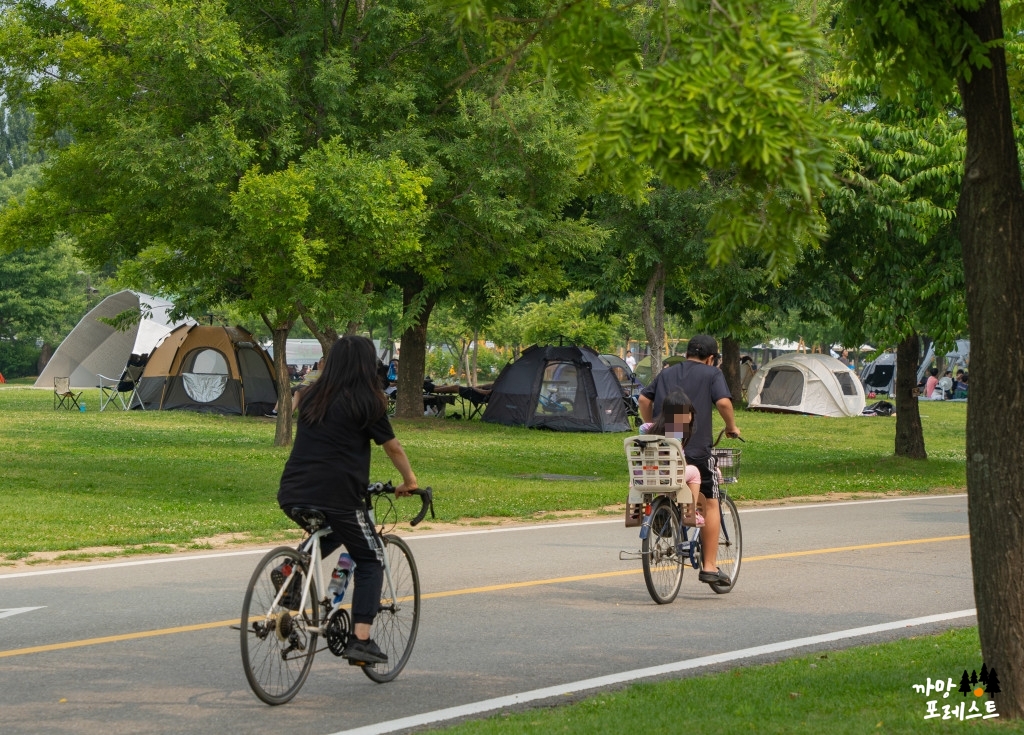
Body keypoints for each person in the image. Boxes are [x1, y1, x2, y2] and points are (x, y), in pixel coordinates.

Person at [277, 335, 419, 665]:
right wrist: (410, 481)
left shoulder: (310, 395)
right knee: (371, 559)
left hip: (293, 490)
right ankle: (361, 640)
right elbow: (392, 447)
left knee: (335, 531)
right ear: (367, 366)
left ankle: (291, 568)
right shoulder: (368, 401)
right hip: (340, 494)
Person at [638, 335, 741, 588]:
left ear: (686, 354)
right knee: (712, 502)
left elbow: (643, 400)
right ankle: (709, 566)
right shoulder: (711, 374)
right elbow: (724, 402)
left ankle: (667, 514)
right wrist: (731, 426)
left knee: (671, 481)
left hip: (663, 452)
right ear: (711, 358)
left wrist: (654, 427)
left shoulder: (667, 373)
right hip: (695, 451)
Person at [644, 389, 704, 527]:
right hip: (669, 476)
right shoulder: (677, 432)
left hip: (647, 475)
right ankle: (691, 512)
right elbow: (679, 460)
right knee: (694, 472)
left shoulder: (646, 429)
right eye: (688, 412)